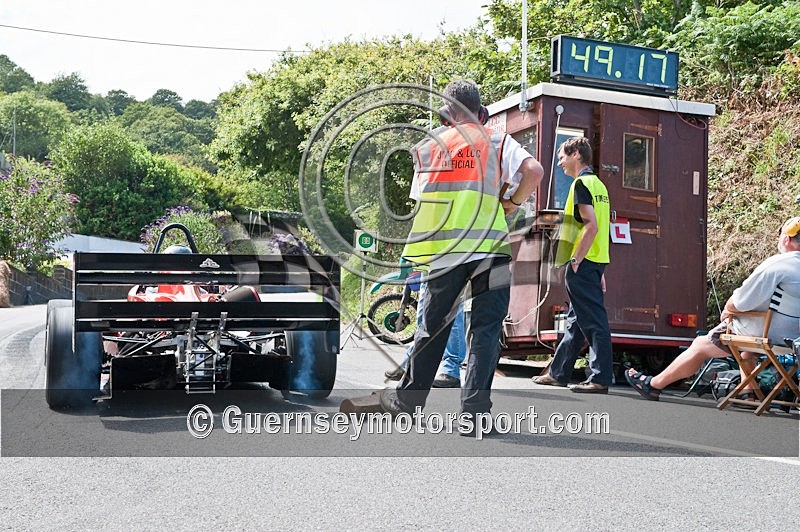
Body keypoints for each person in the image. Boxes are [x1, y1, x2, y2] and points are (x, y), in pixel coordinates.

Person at [379, 79, 544, 430]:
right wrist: (512, 203)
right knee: (485, 330)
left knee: (432, 329)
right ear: (481, 111)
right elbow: (534, 171)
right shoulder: (497, 139)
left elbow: (421, 202)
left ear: (446, 114)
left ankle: (408, 404)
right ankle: (474, 415)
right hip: (492, 249)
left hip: (445, 251)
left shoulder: (428, 147)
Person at [626, 216, 800, 401]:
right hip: (794, 340)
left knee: (702, 344)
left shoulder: (778, 265)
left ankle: (653, 384)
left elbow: (742, 301)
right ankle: (748, 392)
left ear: (786, 239)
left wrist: (728, 309)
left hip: (769, 335)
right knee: (747, 350)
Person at [532, 137, 613, 393]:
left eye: (562, 157)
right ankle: (559, 372)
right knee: (576, 319)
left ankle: (600, 377)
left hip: (583, 262)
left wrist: (577, 259)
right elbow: (602, 229)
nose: (560, 163)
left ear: (576, 154)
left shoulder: (580, 184)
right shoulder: (599, 185)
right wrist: (599, 270)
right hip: (594, 262)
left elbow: (591, 226)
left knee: (594, 321)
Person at [384, 287, 466, 388]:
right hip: (428, 274)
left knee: (453, 316)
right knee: (423, 317)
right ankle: (411, 365)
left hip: (452, 273)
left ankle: (451, 371)